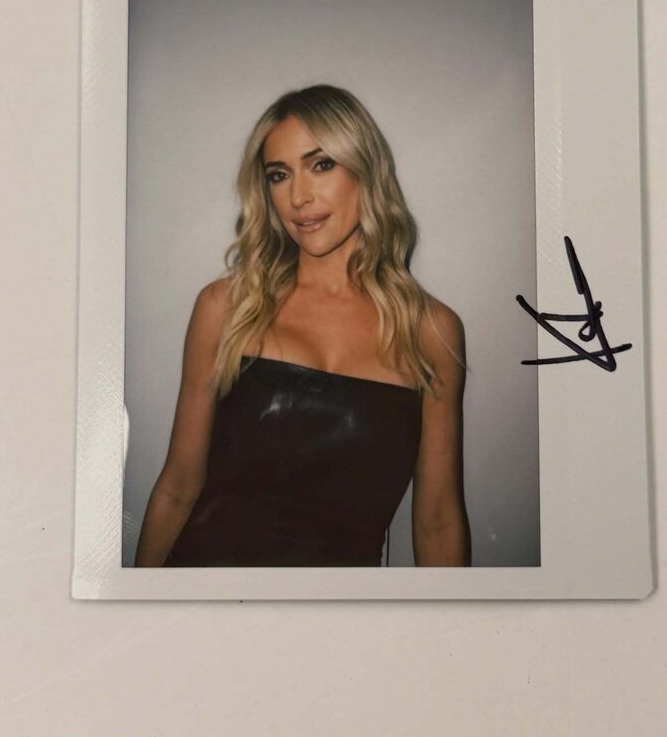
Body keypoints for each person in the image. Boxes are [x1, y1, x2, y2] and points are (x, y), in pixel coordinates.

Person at [134, 84, 470, 567]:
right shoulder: (226, 307)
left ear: (365, 170)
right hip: (205, 596)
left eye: (321, 165)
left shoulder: (431, 332)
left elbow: (437, 520)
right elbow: (178, 486)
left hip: (339, 610)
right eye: (279, 175)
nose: (298, 197)